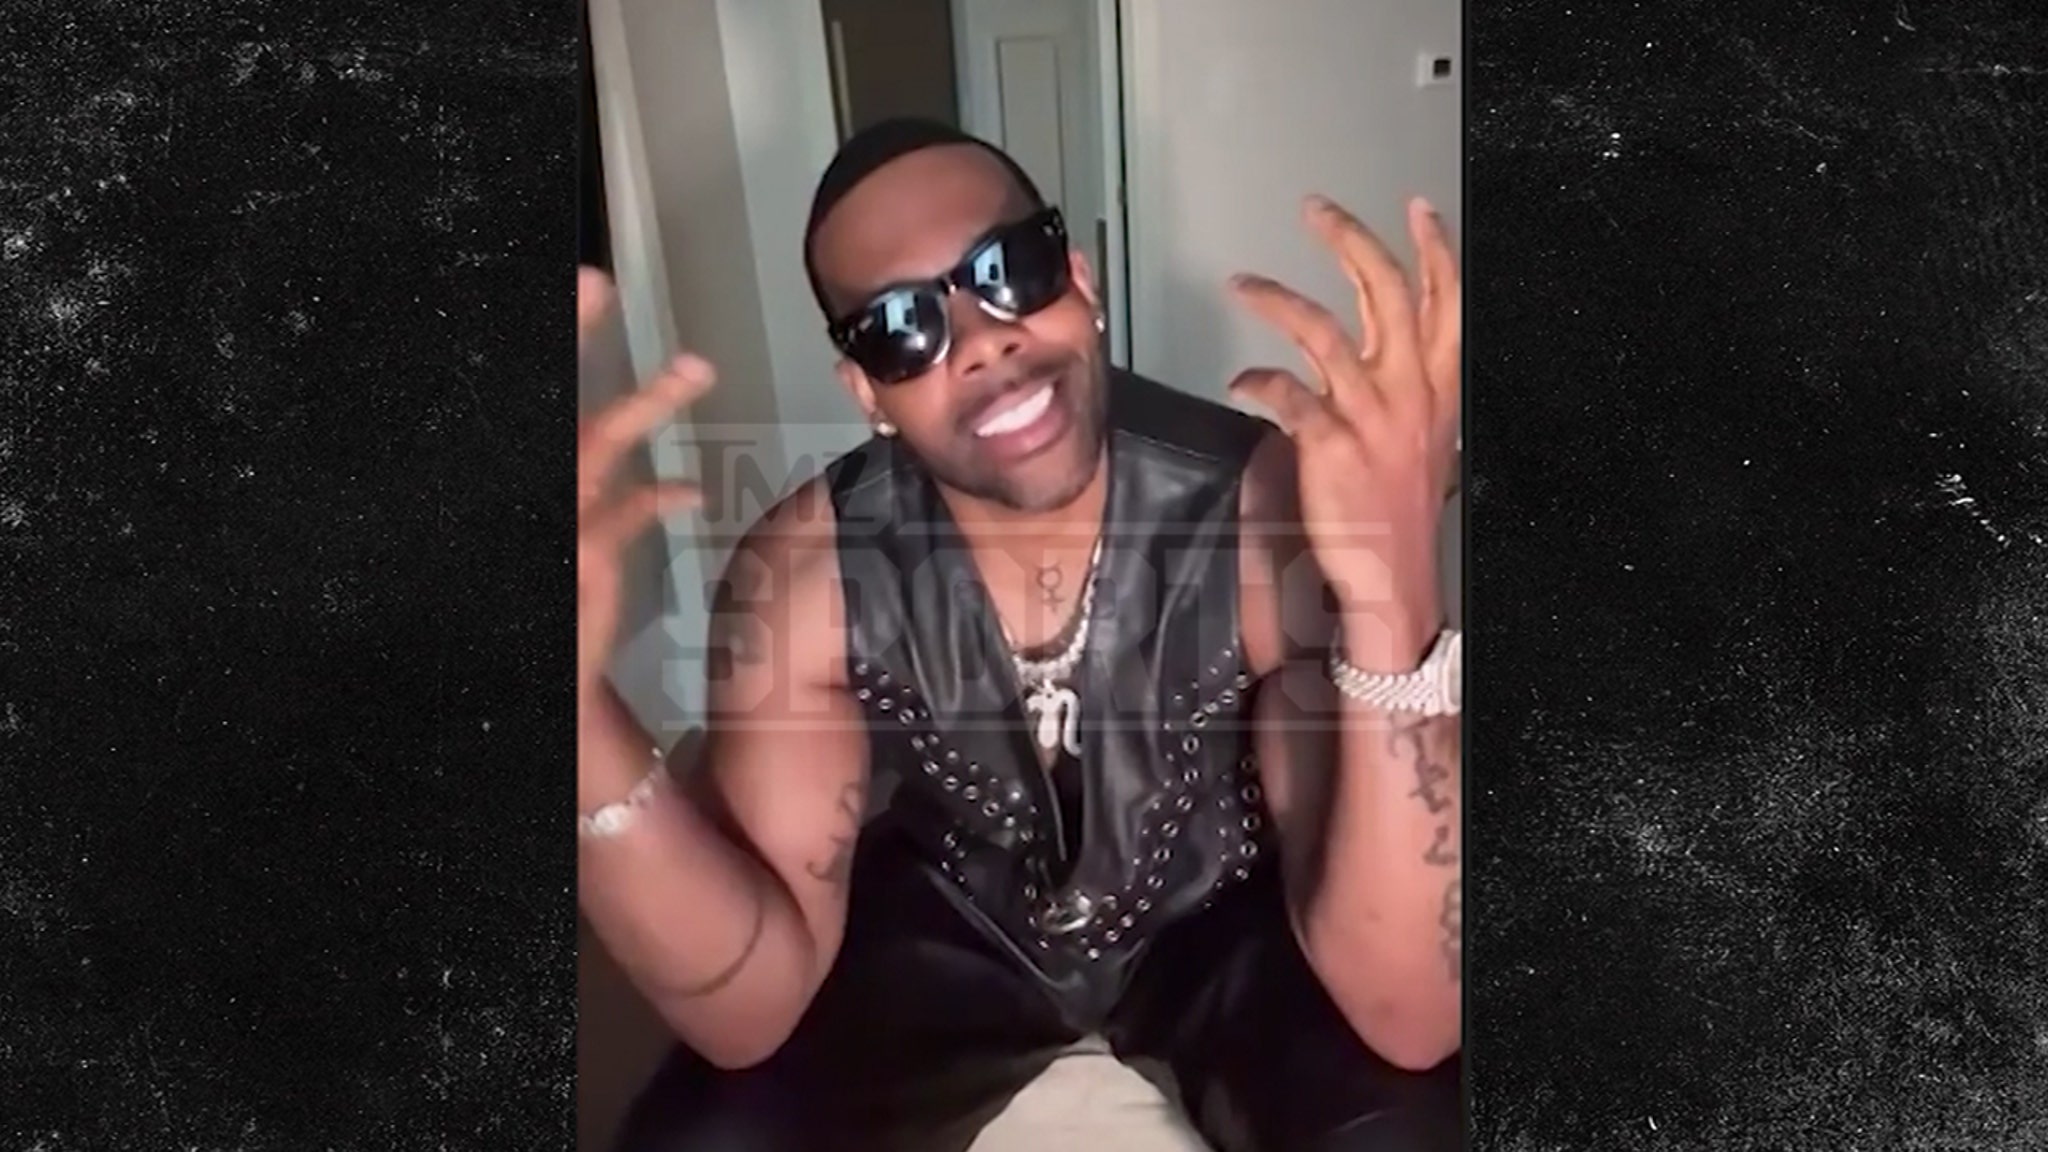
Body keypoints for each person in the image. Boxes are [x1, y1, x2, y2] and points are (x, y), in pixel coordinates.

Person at [577, 118, 1463, 1152]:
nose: (980, 338)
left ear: (1078, 281)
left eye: (1009, 269)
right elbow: (748, 1017)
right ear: (866, 391)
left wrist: (1397, 584)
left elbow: (1413, 1017)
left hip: (1217, 921)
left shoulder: (1263, 513)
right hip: (949, 936)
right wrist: (577, 718)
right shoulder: (806, 576)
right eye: (900, 326)